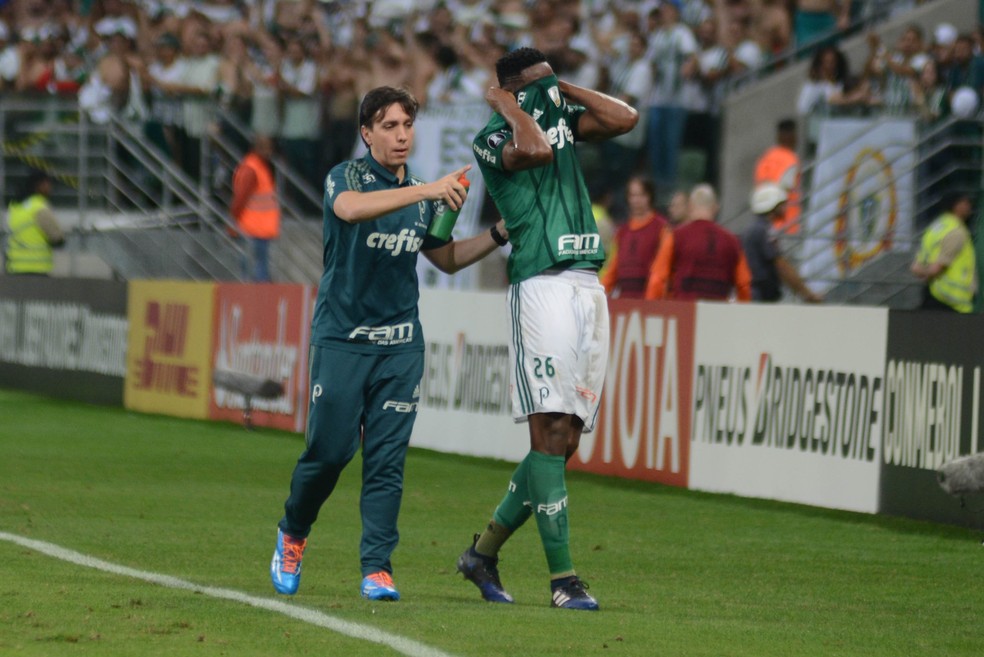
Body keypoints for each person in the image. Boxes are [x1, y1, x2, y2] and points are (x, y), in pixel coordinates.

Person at [269, 86, 509, 601]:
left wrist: (497, 234)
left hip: (400, 347)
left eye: (407, 125)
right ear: (366, 133)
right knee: (330, 453)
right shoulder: (346, 178)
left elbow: (442, 258)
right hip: (342, 340)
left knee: (386, 461)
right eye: (389, 126)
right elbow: (353, 211)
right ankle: (293, 532)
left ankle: (377, 568)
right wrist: (425, 192)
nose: (402, 135)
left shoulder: (424, 192)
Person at [456, 46, 638, 611]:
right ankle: (563, 580)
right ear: (510, 91)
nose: (549, 94)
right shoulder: (496, 137)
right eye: (537, 86)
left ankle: (481, 554)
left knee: (567, 444)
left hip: (586, 283)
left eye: (551, 84)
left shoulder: (557, 118)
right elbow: (531, 148)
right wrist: (510, 106)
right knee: (546, 435)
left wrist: (561, 89)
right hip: (540, 284)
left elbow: (625, 118)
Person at [644, 183, 751, 301]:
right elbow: (744, 285)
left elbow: (657, 280)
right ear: (715, 208)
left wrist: (652, 309)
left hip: (684, 313)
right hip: (719, 314)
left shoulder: (675, 236)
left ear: (690, 206)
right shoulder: (732, 242)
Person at [742, 183, 822, 303]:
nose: (786, 208)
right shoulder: (764, 231)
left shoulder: (754, 229)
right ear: (773, 205)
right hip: (762, 298)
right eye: (782, 204)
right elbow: (781, 265)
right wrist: (807, 294)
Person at [601, 176, 669, 299]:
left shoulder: (661, 228)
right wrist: (600, 294)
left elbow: (661, 271)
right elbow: (613, 267)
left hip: (650, 299)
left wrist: (651, 301)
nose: (636, 200)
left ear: (650, 196)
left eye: (641, 195)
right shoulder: (622, 231)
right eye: (633, 195)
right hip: (624, 297)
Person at [910, 191, 977, 313]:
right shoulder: (956, 231)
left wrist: (923, 272)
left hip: (932, 293)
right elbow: (936, 269)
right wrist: (929, 272)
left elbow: (916, 267)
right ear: (957, 206)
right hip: (950, 301)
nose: (969, 206)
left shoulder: (935, 228)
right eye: (966, 202)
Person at [230, 134, 280, 282]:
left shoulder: (260, 167)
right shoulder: (252, 168)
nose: (269, 151)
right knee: (257, 273)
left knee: (259, 270)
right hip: (252, 230)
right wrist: (233, 223)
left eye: (270, 147)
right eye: (265, 147)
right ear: (256, 148)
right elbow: (240, 199)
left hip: (261, 230)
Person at [4, 170, 65, 275]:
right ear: (40, 185)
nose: (50, 187)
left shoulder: (15, 206)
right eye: (48, 183)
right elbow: (58, 238)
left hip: (14, 268)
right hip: (37, 269)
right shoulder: (39, 207)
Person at [754, 118, 800, 235]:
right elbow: (788, 186)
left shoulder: (765, 157)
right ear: (790, 136)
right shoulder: (791, 159)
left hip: (766, 221)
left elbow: (760, 185)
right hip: (787, 223)